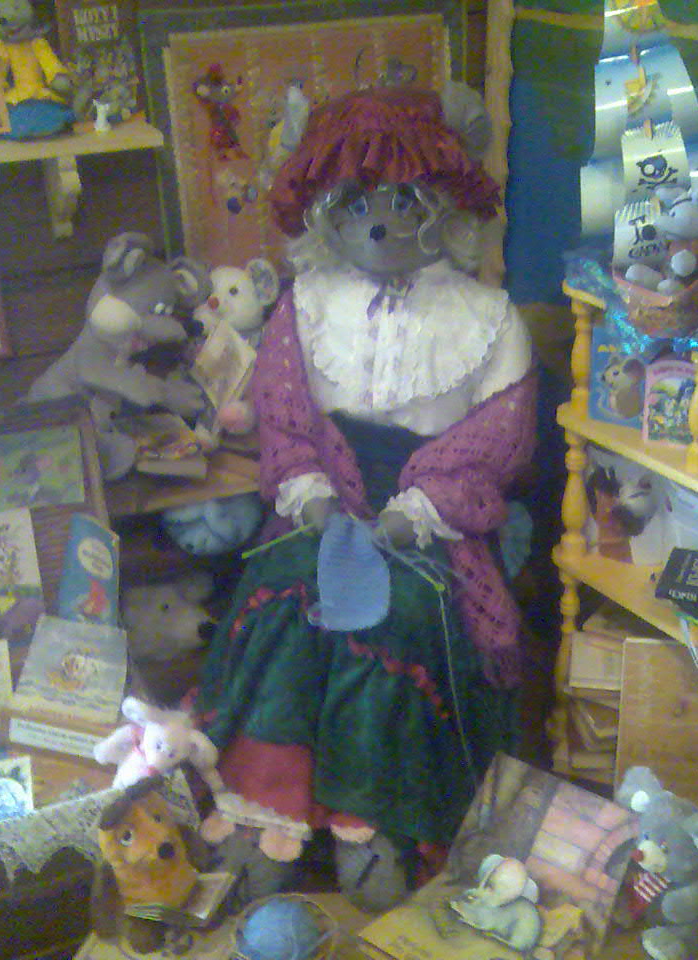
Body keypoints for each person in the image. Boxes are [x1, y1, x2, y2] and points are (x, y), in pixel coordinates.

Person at [193, 84, 537, 911]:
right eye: (357, 204)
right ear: (326, 212)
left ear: (443, 204)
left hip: (436, 520)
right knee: (283, 600)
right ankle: (268, 812)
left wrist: (417, 511)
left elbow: (498, 443)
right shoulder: (307, 305)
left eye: (404, 201)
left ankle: (378, 821)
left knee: (396, 622)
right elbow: (285, 417)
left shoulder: (489, 318)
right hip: (324, 503)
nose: (380, 224)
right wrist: (310, 491)